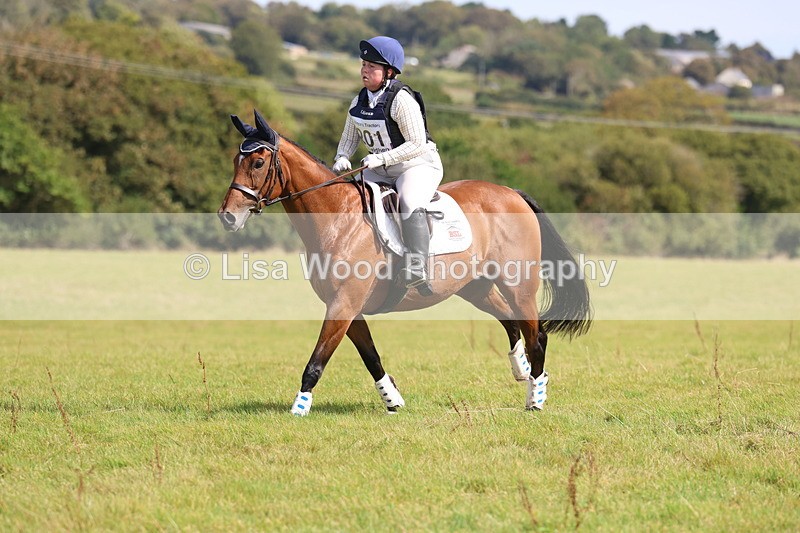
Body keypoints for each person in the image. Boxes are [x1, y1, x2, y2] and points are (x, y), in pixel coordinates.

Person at [332, 36, 442, 296]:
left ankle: (417, 267)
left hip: (415, 165)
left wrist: (382, 158)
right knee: (348, 196)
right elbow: (349, 137)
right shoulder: (358, 101)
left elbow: (417, 143)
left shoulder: (401, 100)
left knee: (410, 201)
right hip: (381, 168)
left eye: (372, 66)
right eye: (363, 65)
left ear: (389, 72)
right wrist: (342, 156)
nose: (365, 70)